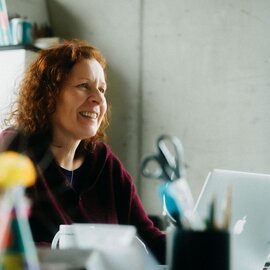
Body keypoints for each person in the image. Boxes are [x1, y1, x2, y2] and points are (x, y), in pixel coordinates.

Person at [0, 39, 166, 264]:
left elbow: (147, 238)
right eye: (83, 86)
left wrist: (201, 246)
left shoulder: (104, 162)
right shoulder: (13, 152)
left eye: (102, 89)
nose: (98, 99)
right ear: (50, 94)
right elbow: (9, 244)